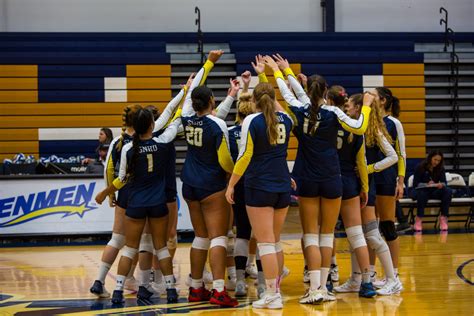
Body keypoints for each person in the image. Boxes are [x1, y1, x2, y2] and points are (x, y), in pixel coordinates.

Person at [267, 54, 371, 304]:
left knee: (310, 235)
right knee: (327, 235)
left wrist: (280, 72)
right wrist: (366, 104)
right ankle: (324, 288)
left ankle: (314, 289)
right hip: (332, 178)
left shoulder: (301, 110)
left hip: (307, 179)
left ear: (309, 90)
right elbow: (360, 128)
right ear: (325, 91)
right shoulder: (334, 112)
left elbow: (288, 95)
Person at [95, 107, 181, 305]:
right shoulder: (163, 142)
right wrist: (185, 90)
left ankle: (117, 290)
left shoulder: (127, 147)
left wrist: (105, 193)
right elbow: (174, 117)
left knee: (129, 249)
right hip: (158, 203)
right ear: (152, 125)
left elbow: (121, 179)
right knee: (161, 248)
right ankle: (170, 290)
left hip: (135, 204)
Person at [226, 81, 294, 310]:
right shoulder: (287, 119)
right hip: (283, 185)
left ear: (254, 100)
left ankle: (273, 296)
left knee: (265, 243)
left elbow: (244, 155)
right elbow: (281, 111)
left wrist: (231, 184)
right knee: (274, 242)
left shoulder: (251, 121)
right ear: (273, 99)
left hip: (260, 187)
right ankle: (276, 291)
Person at [180, 50, 239, 307]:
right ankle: (218, 290)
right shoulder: (218, 126)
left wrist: (209, 63)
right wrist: (232, 175)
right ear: (211, 101)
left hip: (190, 183)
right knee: (218, 238)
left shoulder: (185, 116)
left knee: (200, 237)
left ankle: (195, 288)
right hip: (212, 185)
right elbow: (225, 159)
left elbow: (193, 87)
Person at [324, 88, 376, 298]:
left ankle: (325, 280)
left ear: (328, 99)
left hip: (328, 180)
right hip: (349, 182)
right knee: (356, 234)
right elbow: (361, 162)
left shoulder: (323, 122)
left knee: (325, 234)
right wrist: (364, 187)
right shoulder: (354, 127)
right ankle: (367, 282)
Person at [89, 106, 140, 298]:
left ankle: (99, 280)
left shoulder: (117, 141)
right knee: (140, 241)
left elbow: (109, 170)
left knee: (117, 239)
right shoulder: (144, 140)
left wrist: (111, 194)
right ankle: (130, 279)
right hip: (142, 195)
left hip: (123, 194)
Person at [372, 87, 406, 287]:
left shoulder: (394, 123)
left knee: (387, 226)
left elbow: (401, 154)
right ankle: (374, 273)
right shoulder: (368, 120)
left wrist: (400, 181)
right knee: (371, 229)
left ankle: (394, 274)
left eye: (373, 96)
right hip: (370, 179)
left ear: (383, 101)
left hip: (386, 178)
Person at [228, 72, 256, 297]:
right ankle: (263, 282)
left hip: (237, 184)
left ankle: (239, 280)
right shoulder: (258, 128)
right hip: (258, 184)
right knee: (263, 234)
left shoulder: (229, 132)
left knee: (241, 233)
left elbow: (227, 161)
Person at [411, 150, 452, 231]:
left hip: (434, 191)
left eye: (439, 160)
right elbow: (416, 184)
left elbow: (444, 183)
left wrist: (440, 185)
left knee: (448, 191)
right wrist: (426, 184)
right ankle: (419, 219)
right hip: (422, 190)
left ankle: (443, 217)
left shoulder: (441, 168)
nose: (436, 162)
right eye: (435, 159)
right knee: (422, 194)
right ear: (430, 158)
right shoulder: (420, 167)